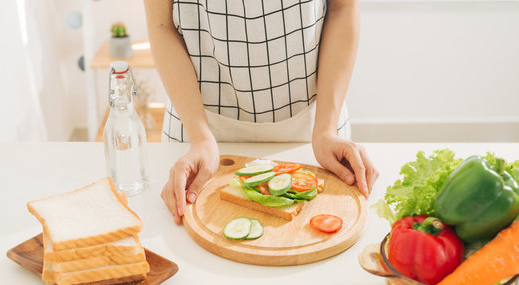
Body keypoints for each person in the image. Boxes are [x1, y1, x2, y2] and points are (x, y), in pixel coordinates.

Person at [144, 0, 378, 225]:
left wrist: (327, 129)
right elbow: (160, 25)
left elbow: (343, 7)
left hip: (316, 129)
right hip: (197, 134)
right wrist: (200, 138)